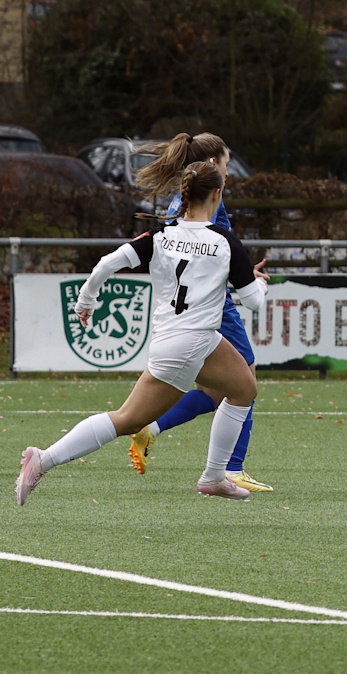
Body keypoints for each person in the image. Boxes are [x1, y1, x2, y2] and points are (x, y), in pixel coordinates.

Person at [16, 162, 268, 504]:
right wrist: (260, 284)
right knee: (128, 419)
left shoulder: (160, 235)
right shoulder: (225, 242)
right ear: (217, 194)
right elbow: (253, 302)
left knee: (244, 389)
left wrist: (86, 299)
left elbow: (107, 263)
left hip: (188, 338)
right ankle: (42, 459)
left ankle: (214, 476)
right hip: (189, 344)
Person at [126, 132, 272, 492]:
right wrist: (244, 281)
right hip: (214, 307)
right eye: (226, 162)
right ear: (212, 164)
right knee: (245, 383)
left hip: (195, 306)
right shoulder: (209, 199)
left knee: (216, 391)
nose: (228, 171)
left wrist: (242, 274)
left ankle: (151, 427)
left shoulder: (186, 196)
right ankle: (231, 468)